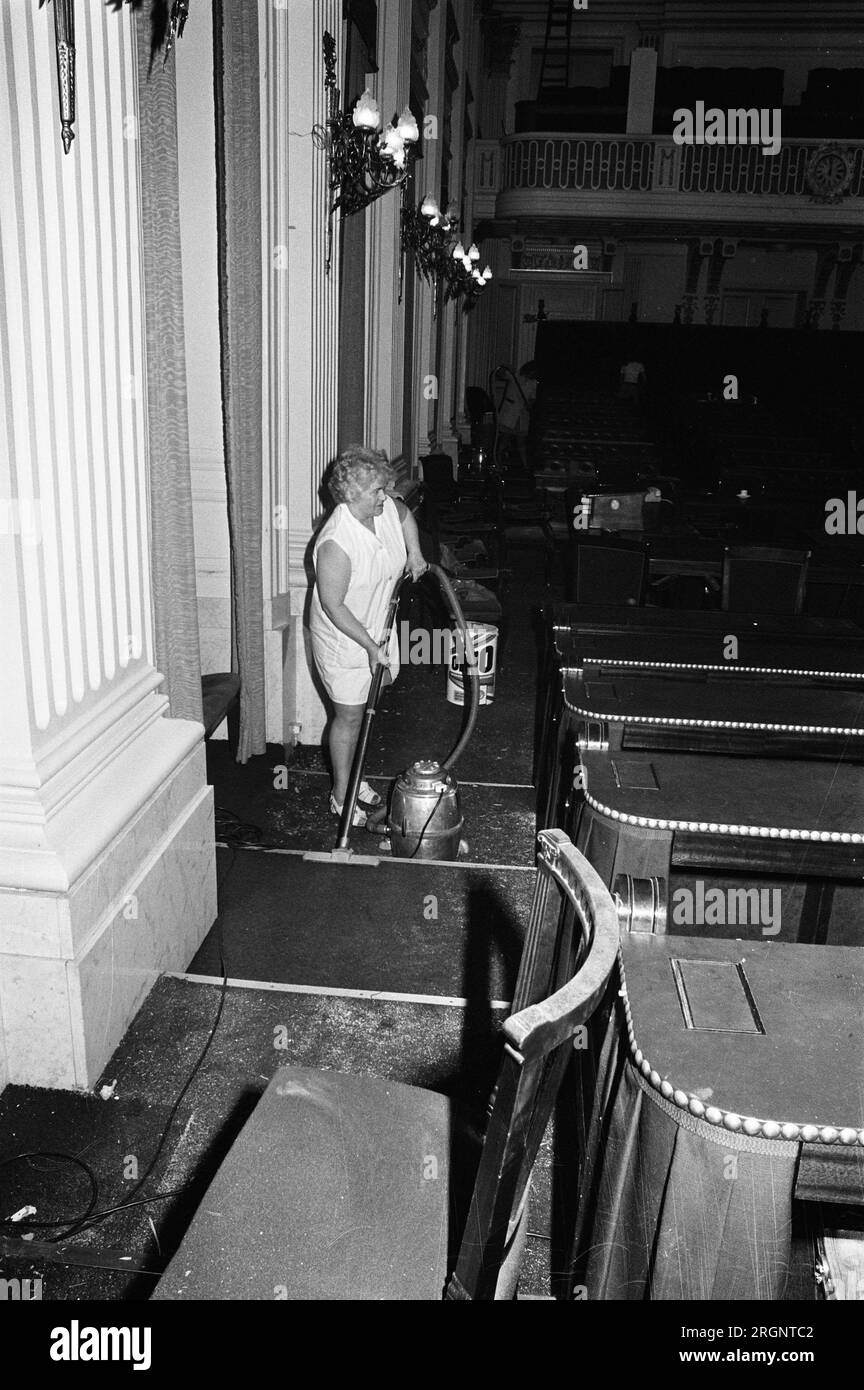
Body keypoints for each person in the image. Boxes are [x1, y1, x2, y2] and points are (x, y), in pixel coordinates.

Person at [310, 447, 428, 826]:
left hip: (379, 627)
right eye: (377, 491)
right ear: (349, 496)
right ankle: (340, 796)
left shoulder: (385, 510)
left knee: (368, 708)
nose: (386, 496)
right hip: (345, 638)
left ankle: (354, 777)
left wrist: (414, 552)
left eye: (384, 488)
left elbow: (406, 514)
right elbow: (333, 605)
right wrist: (370, 647)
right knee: (348, 716)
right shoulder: (336, 543)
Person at [494, 361, 539, 468]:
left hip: (522, 415)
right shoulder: (515, 376)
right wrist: (506, 368)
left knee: (521, 442)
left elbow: (532, 398)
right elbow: (499, 373)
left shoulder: (533, 383)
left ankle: (525, 465)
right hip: (510, 413)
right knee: (504, 439)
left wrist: (530, 404)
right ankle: (497, 461)